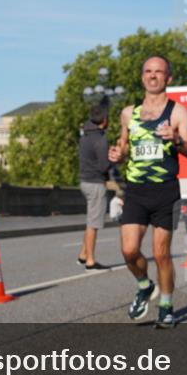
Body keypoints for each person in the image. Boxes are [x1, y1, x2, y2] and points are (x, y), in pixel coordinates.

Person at [108, 56, 187, 329]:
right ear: (142, 76)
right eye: (148, 71)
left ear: (168, 78)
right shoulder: (128, 113)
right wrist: (118, 154)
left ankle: (167, 305)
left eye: (159, 72)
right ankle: (145, 286)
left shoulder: (177, 112)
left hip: (166, 191)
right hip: (135, 190)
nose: (153, 76)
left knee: (161, 254)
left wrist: (177, 139)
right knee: (129, 249)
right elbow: (124, 147)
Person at [78, 103, 111, 270]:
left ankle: (83, 254)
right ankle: (90, 260)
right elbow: (104, 166)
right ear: (104, 120)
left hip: (84, 181)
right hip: (96, 183)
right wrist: (113, 158)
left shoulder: (85, 136)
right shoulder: (100, 139)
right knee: (94, 223)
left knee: (90, 220)